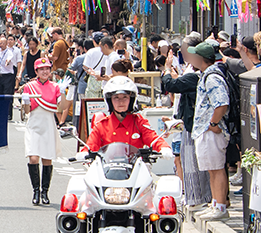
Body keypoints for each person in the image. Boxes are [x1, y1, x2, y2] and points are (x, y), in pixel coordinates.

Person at [161, 37, 212, 211]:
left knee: (194, 164)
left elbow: (172, 85)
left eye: (187, 51)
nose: (183, 53)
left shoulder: (199, 75)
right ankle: (194, 197)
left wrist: (167, 70)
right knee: (187, 161)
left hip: (197, 125)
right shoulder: (192, 71)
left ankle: (198, 199)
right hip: (188, 122)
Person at [188, 42, 231, 221]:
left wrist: (213, 123)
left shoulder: (212, 77)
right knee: (211, 169)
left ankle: (220, 206)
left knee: (216, 168)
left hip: (211, 130)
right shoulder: (206, 75)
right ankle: (215, 204)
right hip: (206, 129)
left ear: (200, 59)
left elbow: (222, 103)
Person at [80, 76, 172, 155]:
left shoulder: (139, 122)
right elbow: (91, 145)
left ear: (131, 100)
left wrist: (164, 148)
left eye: (125, 97)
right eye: (116, 98)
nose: (121, 101)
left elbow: (153, 138)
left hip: (136, 169)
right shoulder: (102, 125)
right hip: (108, 170)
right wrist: (84, 153)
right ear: (109, 101)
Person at [21, 58, 64, 205]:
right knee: (33, 158)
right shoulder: (29, 86)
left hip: (49, 125)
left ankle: (45, 192)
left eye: (47, 68)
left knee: (47, 158)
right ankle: (36, 191)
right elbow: (27, 111)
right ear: (36, 71)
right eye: (42, 69)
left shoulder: (55, 86)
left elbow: (60, 108)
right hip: (34, 124)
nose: (45, 71)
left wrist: (64, 93)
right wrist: (26, 101)